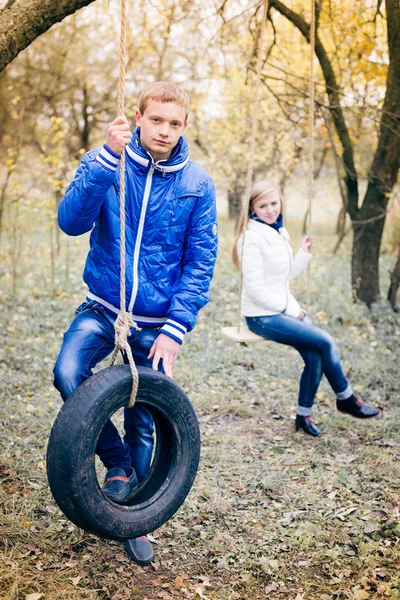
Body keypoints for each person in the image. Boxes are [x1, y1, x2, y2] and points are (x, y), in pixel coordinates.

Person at [53, 81, 218, 565]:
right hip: (104, 306)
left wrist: (175, 328)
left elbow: (200, 263)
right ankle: (118, 463)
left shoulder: (197, 184)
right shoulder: (109, 160)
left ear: (184, 126)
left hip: (157, 320)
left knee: (144, 417)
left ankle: (134, 516)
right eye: (156, 120)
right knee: (68, 373)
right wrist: (105, 156)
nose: (164, 131)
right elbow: (70, 220)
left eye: (175, 123)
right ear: (139, 118)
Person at [233, 179, 380, 437]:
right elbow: (255, 290)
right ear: (252, 209)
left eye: (274, 203)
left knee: (314, 356)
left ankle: (303, 416)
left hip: (281, 309)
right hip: (261, 315)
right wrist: (289, 310)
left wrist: (302, 254)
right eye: (263, 205)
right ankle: (346, 399)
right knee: (325, 341)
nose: (270, 209)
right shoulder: (251, 239)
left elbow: (282, 277)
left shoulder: (277, 232)